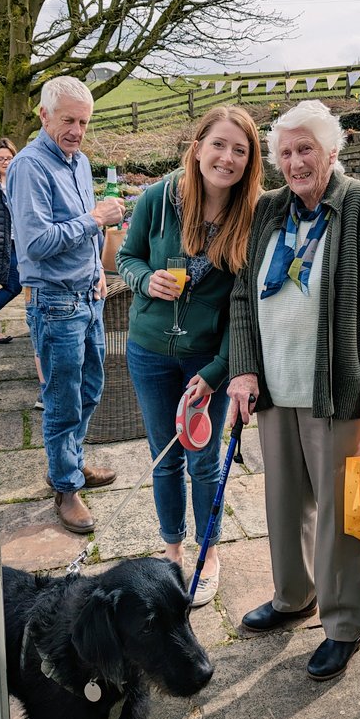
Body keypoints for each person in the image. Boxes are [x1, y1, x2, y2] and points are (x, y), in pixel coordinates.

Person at [227, 99, 360, 681]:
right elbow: (242, 297)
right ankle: (292, 597)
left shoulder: (359, 205)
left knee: (338, 514)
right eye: (286, 151)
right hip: (277, 385)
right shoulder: (271, 210)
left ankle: (345, 623)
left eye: (307, 149)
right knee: (284, 503)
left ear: (332, 151)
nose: (296, 161)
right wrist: (245, 369)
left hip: (339, 390)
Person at [116, 105, 263, 607]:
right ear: (198, 146)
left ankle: (209, 552)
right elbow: (126, 257)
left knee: (203, 461)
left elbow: (245, 308)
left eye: (239, 150)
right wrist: (143, 279)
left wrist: (218, 371)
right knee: (164, 458)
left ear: (250, 160)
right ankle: (172, 552)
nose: (226, 157)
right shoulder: (158, 200)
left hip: (207, 361)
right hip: (150, 351)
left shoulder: (251, 214)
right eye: (218, 144)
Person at [7, 76, 126, 534]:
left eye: (83, 122)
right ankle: (65, 487)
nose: (77, 130)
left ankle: (70, 464)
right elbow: (36, 243)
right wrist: (96, 216)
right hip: (54, 304)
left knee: (92, 389)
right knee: (62, 402)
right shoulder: (29, 167)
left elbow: (84, 237)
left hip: (87, 295)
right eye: (68, 121)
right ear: (44, 115)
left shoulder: (79, 163)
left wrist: (97, 267)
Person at [0, 138, 22, 344]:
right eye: (0, 158)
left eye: (9, 157)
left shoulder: (20, 180)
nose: (5, 162)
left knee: (15, 284)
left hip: (18, 243)